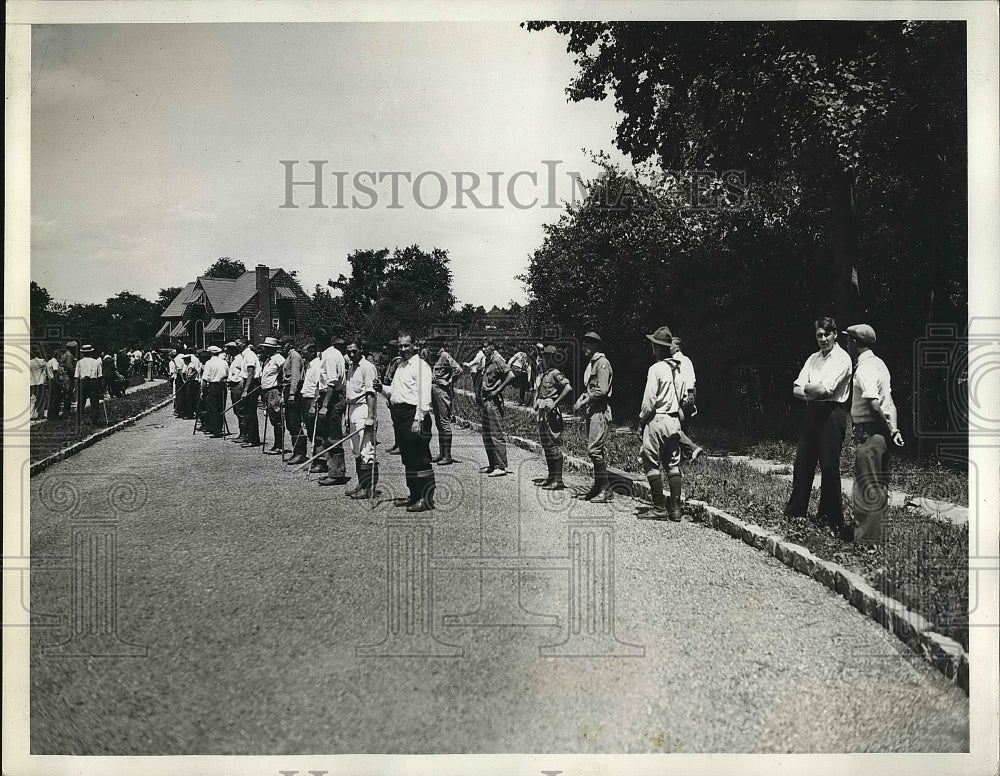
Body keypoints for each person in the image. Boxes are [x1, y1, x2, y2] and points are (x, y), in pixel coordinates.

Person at [785, 316, 853, 532]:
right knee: (803, 462)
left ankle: (830, 517)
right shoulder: (813, 358)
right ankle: (796, 512)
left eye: (827, 334)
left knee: (829, 467)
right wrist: (811, 390)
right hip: (811, 412)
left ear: (835, 334)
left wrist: (809, 389)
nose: (823, 339)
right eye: (819, 335)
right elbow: (795, 388)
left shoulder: (842, 359)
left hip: (832, 413)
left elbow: (827, 390)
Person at [845, 324, 903, 546]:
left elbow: (874, 403)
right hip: (882, 433)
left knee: (866, 485)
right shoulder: (880, 364)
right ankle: (877, 538)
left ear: (856, 343)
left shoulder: (865, 368)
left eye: (849, 340)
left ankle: (867, 542)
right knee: (878, 485)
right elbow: (891, 402)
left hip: (869, 432)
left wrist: (888, 429)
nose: (847, 344)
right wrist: (894, 430)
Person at [374, 331, 435, 511]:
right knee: (408, 459)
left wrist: (418, 420)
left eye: (406, 345)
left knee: (420, 458)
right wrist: (381, 389)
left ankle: (426, 498)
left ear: (414, 345)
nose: (402, 349)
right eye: (400, 346)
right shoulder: (400, 366)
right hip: (401, 416)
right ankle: (414, 494)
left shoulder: (421, 366)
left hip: (415, 416)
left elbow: (424, 396)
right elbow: (396, 394)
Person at [637, 326, 687, 520]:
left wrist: (641, 421)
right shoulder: (679, 368)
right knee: (673, 465)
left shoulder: (655, 369)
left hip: (657, 419)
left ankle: (659, 507)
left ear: (657, 348)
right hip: (674, 420)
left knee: (651, 463)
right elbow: (684, 396)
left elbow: (649, 401)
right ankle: (675, 509)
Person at [571, 332, 614, 502]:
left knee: (594, 450)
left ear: (596, 345)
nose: (584, 348)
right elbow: (590, 387)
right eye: (583, 345)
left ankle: (606, 489)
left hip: (600, 411)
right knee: (596, 450)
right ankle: (597, 487)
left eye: (587, 345)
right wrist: (583, 398)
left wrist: (584, 401)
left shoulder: (602, 363)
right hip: (592, 410)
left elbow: (602, 390)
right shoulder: (592, 364)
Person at [532, 344, 573, 490]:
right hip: (543, 412)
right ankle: (550, 477)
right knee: (546, 445)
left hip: (551, 413)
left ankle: (558, 480)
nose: (543, 359)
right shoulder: (545, 373)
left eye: (545, 357)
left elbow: (568, 387)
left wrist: (555, 403)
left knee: (554, 444)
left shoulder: (555, 373)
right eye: (543, 356)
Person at [343, 339, 380, 498]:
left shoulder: (367, 367)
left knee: (366, 450)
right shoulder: (351, 367)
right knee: (356, 450)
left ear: (361, 350)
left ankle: (368, 488)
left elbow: (370, 393)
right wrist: (346, 414)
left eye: (354, 351)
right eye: (349, 351)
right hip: (352, 408)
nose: (351, 354)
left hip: (364, 408)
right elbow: (350, 393)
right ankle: (361, 484)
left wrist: (371, 416)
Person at [316, 330, 350, 486]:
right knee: (329, 436)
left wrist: (324, 405)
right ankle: (333, 470)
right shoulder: (334, 354)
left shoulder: (330, 356)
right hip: (331, 396)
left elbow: (331, 382)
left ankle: (337, 474)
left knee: (333, 436)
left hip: (332, 398)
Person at [478, 339, 515, 477]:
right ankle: (492, 464)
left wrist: (497, 390)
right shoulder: (488, 360)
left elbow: (511, 375)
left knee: (495, 434)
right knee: (486, 434)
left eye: (485, 346)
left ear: (492, 347)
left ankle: (500, 466)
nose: (483, 349)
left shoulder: (497, 359)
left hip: (494, 401)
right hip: (486, 400)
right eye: (482, 346)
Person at [430, 338, 463, 466]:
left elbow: (458, 370)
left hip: (442, 391)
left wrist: (448, 382)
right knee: (438, 423)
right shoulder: (434, 357)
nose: (431, 347)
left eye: (433, 344)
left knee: (444, 423)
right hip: (434, 390)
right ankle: (442, 453)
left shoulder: (444, 356)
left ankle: (448, 455)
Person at [671, 336, 704, 462]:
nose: (668, 347)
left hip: (681, 397)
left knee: (674, 427)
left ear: (677, 347)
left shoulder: (676, 361)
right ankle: (687, 456)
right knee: (682, 427)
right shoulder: (687, 360)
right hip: (687, 396)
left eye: (671, 345)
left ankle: (691, 451)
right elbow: (691, 379)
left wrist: (687, 396)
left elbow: (681, 381)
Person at [299, 342, 327, 474]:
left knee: (317, 433)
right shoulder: (309, 365)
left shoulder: (317, 365)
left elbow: (318, 386)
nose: (303, 356)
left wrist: (313, 405)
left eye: (304, 353)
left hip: (312, 400)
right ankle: (315, 459)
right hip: (305, 398)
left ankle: (321, 462)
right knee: (310, 432)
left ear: (312, 352)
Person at [280, 335, 307, 464]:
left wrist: (292, 393)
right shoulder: (289, 356)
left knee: (295, 422)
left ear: (290, 344)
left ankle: (300, 453)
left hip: (293, 391)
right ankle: (296, 451)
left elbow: (296, 376)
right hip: (287, 389)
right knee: (290, 423)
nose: (281, 346)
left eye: (283, 344)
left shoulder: (295, 356)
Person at [257, 337, 285, 454]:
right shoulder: (268, 359)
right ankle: (276, 444)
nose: (264, 350)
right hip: (267, 391)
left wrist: (281, 381)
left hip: (274, 391)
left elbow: (285, 369)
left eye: (267, 348)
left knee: (277, 418)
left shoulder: (278, 358)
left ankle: (279, 445)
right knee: (273, 418)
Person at [200, 345, 228, 437]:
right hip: (223, 386)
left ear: (211, 353)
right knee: (221, 407)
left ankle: (215, 430)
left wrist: (202, 391)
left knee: (212, 408)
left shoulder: (209, 363)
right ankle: (218, 427)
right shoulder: (224, 363)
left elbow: (205, 378)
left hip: (213, 386)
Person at [238, 339, 262, 447]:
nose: (237, 345)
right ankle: (248, 436)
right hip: (248, 383)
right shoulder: (244, 355)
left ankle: (253, 439)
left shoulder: (249, 355)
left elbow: (250, 374)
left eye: (239, 343)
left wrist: (246, 390)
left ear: (245, 343)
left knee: (250, 412)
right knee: (247, 411)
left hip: (252, 384)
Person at [74, 344, 104, 425]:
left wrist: (76, 387)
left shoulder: (79, 363)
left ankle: (80, 421)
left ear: (83, 353)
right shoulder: (96, 362)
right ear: (91, 352)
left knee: (81, 403)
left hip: (83, 383)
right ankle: (93, 422)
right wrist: (101, 388)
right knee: (94, 404)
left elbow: (76, 376)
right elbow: (100, 376)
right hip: (93, 383)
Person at [383, 339, 403, 455]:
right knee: (395, 421)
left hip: (396, 394)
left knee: (399, 421)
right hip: (391, 394)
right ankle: (397, 443)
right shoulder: (392, 361)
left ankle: (402, 445)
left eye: (390, 348)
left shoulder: (398, 361)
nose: (387, 350)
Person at [58, 341, 78, 418]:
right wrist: (74, 374)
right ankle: (66, 411)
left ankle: (66, 411)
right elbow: (70, 367)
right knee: (68, 393)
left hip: (65, 376)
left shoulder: (66, 354)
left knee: (67, 393)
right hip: (68, 376)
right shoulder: (69, 355)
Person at [29, 347, 48, 420]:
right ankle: (39, 415)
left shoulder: (29, 362)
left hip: (31, 383)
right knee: (41, 399)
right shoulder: (41, 361)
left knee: (32, 399)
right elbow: (47, 365)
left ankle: (32, 415)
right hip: (39, 383)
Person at [45, 349, 62, 420]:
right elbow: (55, 372)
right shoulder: (55, 362)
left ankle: (50, 415)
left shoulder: (49, 361)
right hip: (55, 382)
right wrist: (59, 381)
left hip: (50, 381)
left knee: (51, 398)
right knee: (56, 398)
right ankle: (55, 416)